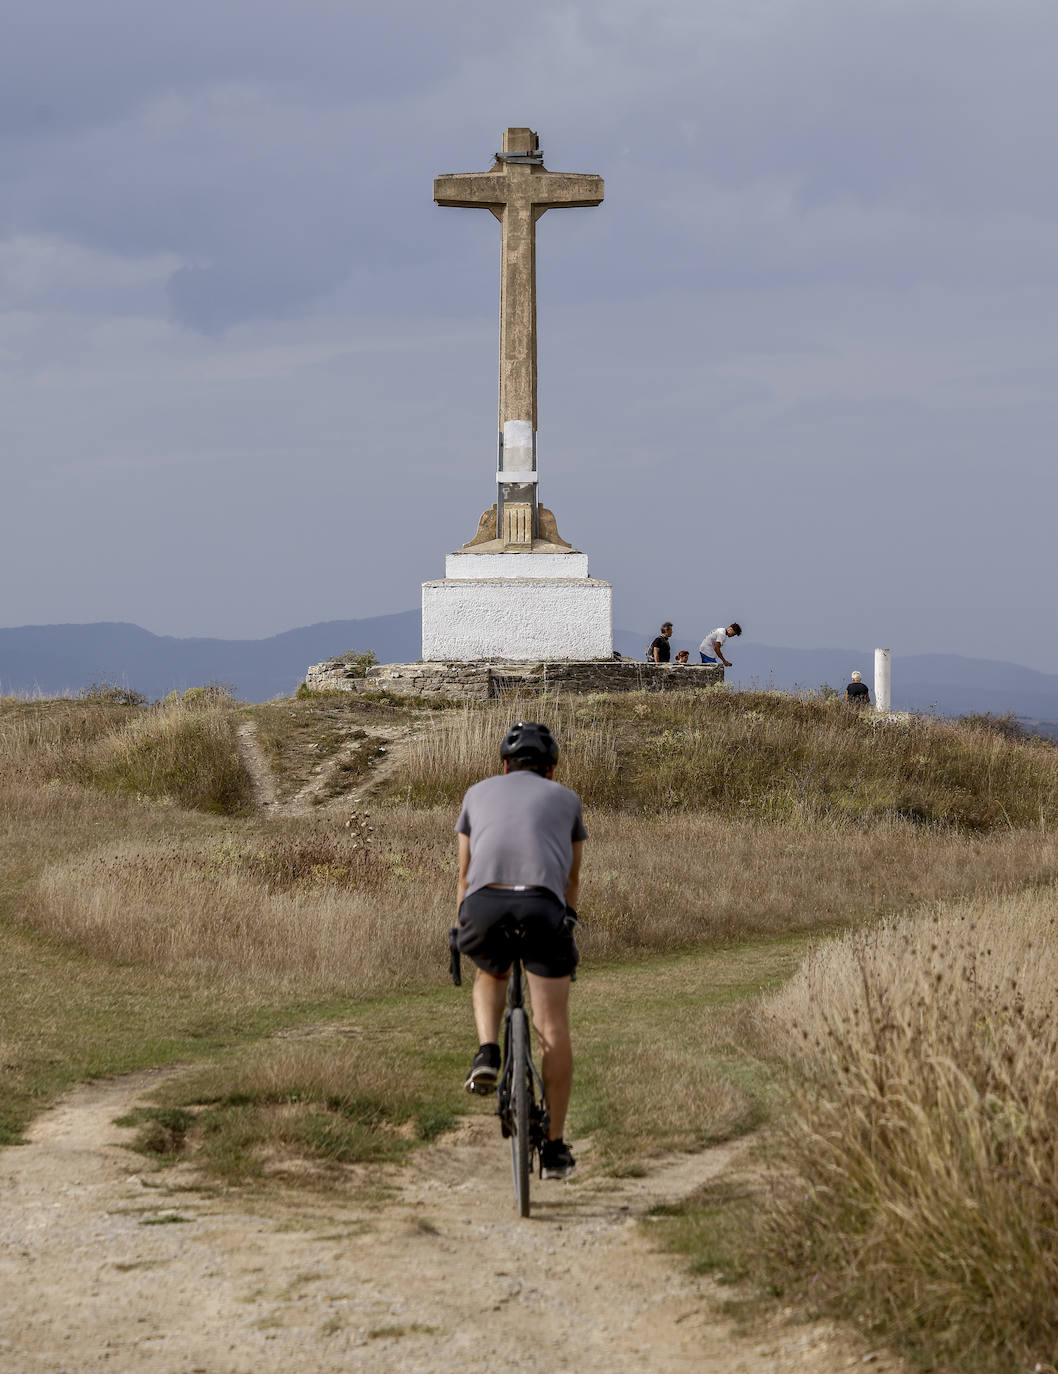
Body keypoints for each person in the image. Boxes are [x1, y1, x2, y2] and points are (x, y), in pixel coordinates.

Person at [455, 721, 585, 1181]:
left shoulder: (475, 794)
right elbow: (569, 878)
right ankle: (553, 1149)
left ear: (504, 765)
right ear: (551, 770)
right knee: (551, 1023)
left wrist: (463, 925)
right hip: (542, 906)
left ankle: (488, 1051)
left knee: (490, 970)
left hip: (485, 903)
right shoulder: (567, 800)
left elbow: (465, 873)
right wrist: (567, 918)